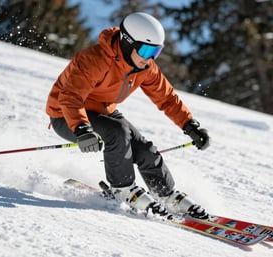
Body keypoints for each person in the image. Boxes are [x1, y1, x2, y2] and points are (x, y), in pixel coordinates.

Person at [46, 12, 210, 218]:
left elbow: (166, 98)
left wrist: (190, 126)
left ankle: (166, 194)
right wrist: (81, 129)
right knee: (117, 131)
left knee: (145, 149)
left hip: (104, 112)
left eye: (156, 52)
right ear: (127, 42)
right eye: (146, 49)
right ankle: (123, 189)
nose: (149, 58)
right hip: (65, 115)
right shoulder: (94, 59)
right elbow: (70, 96)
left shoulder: (145, 68)